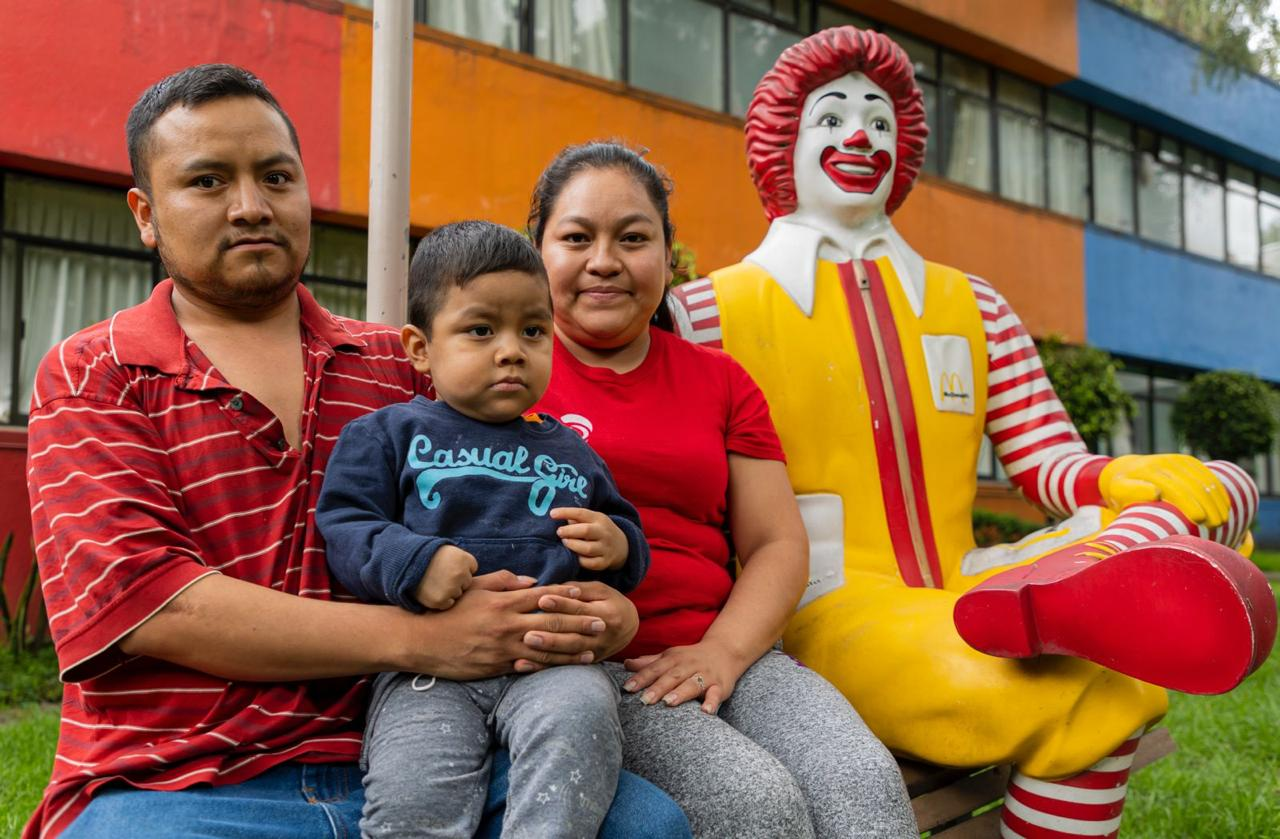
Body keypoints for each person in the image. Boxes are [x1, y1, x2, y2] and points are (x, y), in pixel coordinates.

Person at [24, 64, 689, 839]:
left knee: (648, 825)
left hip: (415, 741)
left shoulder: (402, 367)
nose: (251, 206)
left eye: (276, 176)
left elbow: (537, 481)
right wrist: (425, 638)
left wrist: (603, 608)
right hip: (179, 779)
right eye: (208, 181)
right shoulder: (95, 371)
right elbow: (152, 605)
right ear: (146, 212)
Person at [667, 27, 1276, 838]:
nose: (861, 137)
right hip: (829, 604)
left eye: (881, 123)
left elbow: (1046, 458)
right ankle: (1075, 596)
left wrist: (1121, 483)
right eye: (835, 119)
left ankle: (1075, 580)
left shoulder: (976, 304)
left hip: (971, 573)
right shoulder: (704, 314)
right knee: (1097, 694)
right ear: (782, 139)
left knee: (1222, 484)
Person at [528, 141, 918, 839]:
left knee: (865, 784)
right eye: (577, 237)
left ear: (669, 255)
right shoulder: (504, 378)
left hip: (731, 648)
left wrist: (725, 652)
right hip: (603, 673)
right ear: (539, 253)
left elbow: (774, 542)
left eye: (634, 237)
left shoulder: (721, 381)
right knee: (755, 805)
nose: (605, 261)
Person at [316, 220, 649, 838]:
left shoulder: (572, 449)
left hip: (555, 670)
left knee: (578, 746)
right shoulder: (388, 434)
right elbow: (344, 524)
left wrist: (619, 544)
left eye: (532, 330)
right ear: (420, 348)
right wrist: (414, 562)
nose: (511, 350)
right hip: (428, 671)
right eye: (480, 330)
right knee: (413, 796)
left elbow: (625, 528)